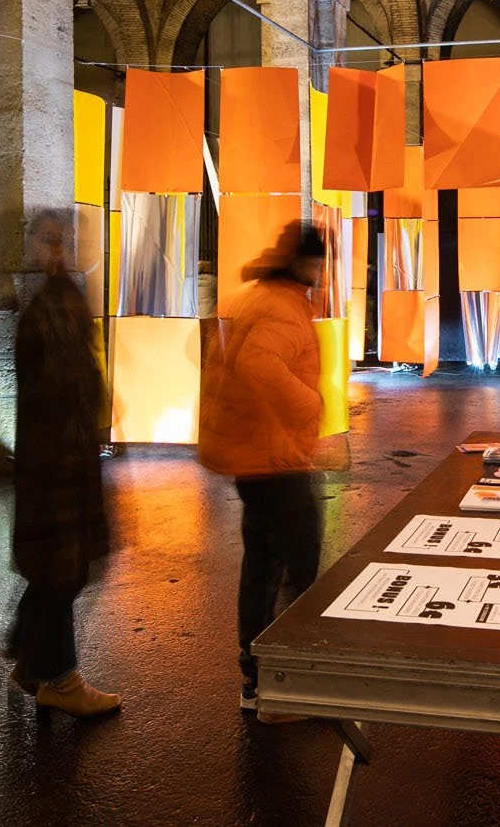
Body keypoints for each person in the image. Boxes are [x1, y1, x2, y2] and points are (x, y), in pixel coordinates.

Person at [198, 220, 324, 711]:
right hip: (274, 459)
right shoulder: (281, 307)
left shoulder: (262, 296)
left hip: (257, 455)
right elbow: (258, 364)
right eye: (315, 261)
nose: (318, 269)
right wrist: (307, 405)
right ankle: (285, 681)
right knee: (302, 565)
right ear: (300, 262)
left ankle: (258, 675)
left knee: (265, 564)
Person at [6, 209, 119, 717]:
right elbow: (59, 385)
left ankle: (31, 659)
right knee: (61, 570)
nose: (58, 249)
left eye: (64, 240)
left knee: (61, 570)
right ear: (30, 246)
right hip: (54, 458)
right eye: (48, 241)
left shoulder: (63, 297)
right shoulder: (44, 303)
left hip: (65, 455)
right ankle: (58, 678)